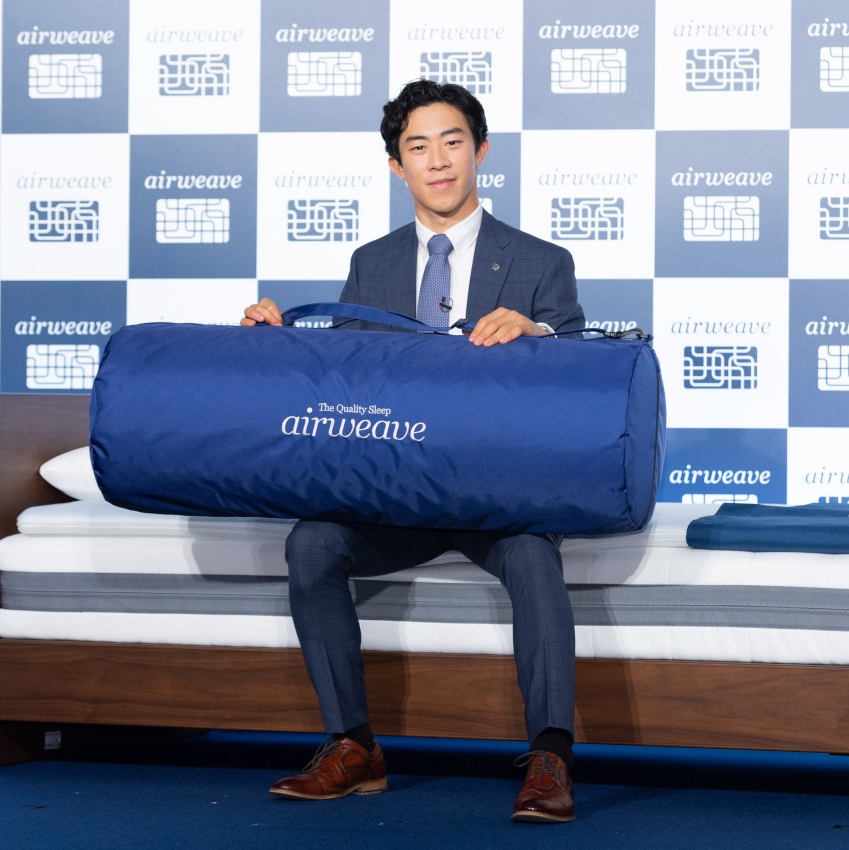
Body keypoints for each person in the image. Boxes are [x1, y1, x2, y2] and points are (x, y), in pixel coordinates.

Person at [241, 80, 585, 823]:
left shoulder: (540, 261)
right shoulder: (372, 263)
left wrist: (538, 336)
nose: (438, 160)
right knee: (311, 543)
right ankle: (353, 746)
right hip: (395, 498)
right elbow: (342, 384)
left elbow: (578, 381)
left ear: (480, 150)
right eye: (418, 147)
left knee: (534, 557)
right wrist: (277, 346)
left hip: (498, 496)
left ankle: (551, 758)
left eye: (452, 141)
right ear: (397, 166)